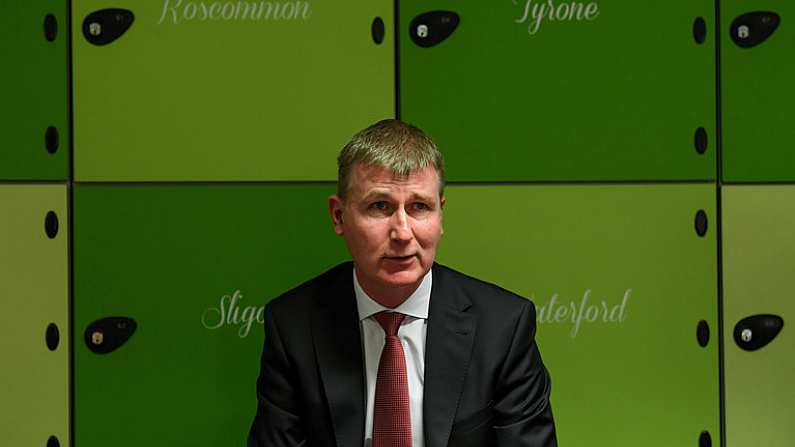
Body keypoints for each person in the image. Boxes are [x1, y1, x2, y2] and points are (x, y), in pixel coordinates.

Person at [248, 119, 557, 447]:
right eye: (379, 206)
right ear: (339, 216)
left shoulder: (503, 326)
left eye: (419, 207)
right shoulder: (293, 325)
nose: (402, 233)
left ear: (441, 214)